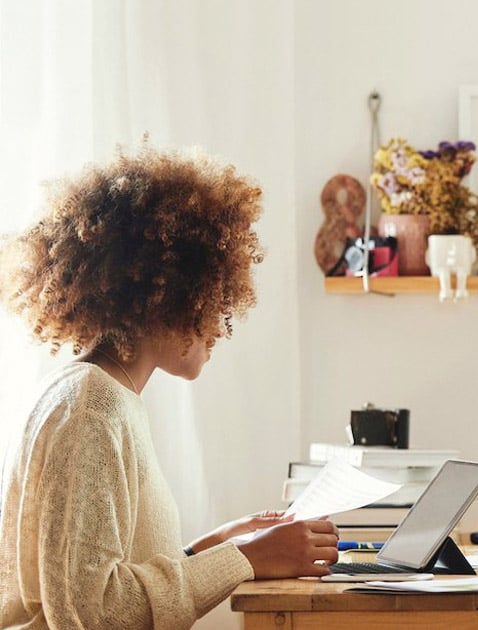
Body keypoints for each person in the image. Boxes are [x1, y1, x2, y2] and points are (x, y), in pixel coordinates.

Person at [0, 144, 340, 628]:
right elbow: (93, 613)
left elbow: (97, 577)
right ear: (166, 296)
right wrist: (245, 560)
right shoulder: (90, 409)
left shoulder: (103, 394)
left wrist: (212, 547)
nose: (220, 324)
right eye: (212, 299)